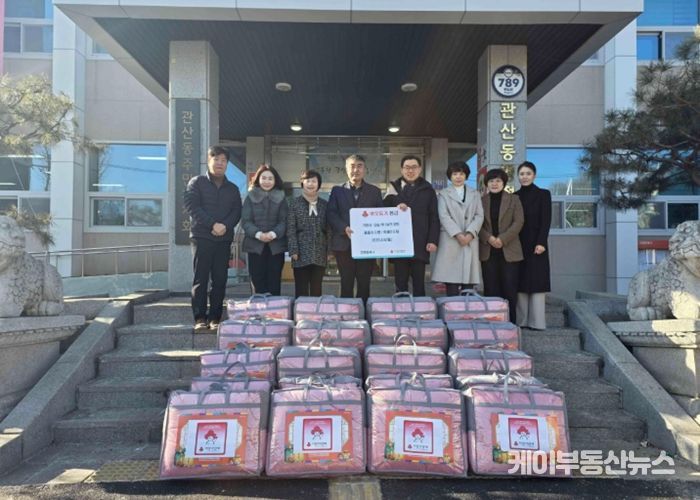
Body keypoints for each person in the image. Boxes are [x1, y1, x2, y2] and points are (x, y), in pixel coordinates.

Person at [184, 145, 242, 331]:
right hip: (202, 237)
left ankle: (215, 318)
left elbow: (237, 212)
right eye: (216, 159)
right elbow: (192, 207)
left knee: (220, 279)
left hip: (223, 239)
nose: (220, 163)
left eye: (223, 160)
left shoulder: (232, 188)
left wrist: (225, 225)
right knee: (201, 278)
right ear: (208, 161)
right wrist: (212, 224)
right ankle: (200, 318)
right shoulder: (197, 183)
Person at [327, 154, 383, 303]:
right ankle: (347, 313)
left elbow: (380, 215)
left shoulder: (374, 191)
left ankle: (363, 313)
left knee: (364, 283)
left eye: (359, 166)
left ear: (365, 169)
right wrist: (344, 228)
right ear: (346, 169)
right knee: (346, 282)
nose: (356, 170)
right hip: (343, 244)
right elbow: (331, 214)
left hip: (367, 246)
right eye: (352, 166)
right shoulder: (337, 191)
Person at [384, 155, 439, 296]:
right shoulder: (393, 188)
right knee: (400, 283)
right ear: (401, 170)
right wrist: (396, 205)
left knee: (419, 283)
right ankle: (401, 307)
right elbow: (383, 210)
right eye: (407, 167)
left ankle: (420, 309)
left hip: (420, 241)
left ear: (420, 169)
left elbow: (434, 216)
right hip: (399, 243)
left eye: (414, 167)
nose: (410, 171)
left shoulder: (428, 190)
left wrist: (433, 240)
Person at [478, 168, 524, 323]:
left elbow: (519, 222)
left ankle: (510, 324)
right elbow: (477, 223)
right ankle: (492, 324)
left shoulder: (514, 199)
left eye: (498, 181)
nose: (494, 184)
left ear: (504, 183)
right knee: (491, 288)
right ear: (487, 184)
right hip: (488, 250)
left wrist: (502, 239)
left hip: (509, 250)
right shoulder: (481, 201)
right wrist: (489, 238)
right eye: (491, 181)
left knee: (510, 288)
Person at [432, 161, 484, 295]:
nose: (458, 177)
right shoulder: (444, 194)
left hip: (470, 239)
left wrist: (470, 233)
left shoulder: (475, 193)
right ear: (450, 176)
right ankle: (451, 306)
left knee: (468, 282)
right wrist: (458, 234)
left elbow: (479, 215)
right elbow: (443, 216)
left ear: (466, 175)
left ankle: (467, 307)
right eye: (455, 174)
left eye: (461, 174)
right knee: (451, 280)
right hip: (451, 239)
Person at [515, 161, 552, 330]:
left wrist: (541, 242)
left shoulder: (544, 194)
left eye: (528, 173)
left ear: (534, 175)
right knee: (520, 281)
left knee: (537, 281)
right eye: (522, 174)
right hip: (518, 243)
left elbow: (546, 220)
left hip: (537, 243)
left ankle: (537, 322)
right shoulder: (514, 196)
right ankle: (521, 321)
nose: (525, 177)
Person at [241, 164, 288, 296]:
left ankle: (276, 308)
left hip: (276, 246)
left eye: (270, 178)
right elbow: (246, 221)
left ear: (275, 180)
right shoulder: (250, 197)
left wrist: (273, 234)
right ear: (258, 179)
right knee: (257, 280)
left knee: (274, 280)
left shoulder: (282, 197)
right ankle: (258, 308)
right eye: (264, 178)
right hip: (255, 245)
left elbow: (284, 221)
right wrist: (258, 234)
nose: (267, 181)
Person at [287, 169, 328, 298]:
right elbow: (291, 228)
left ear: (318, 184)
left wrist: (330, 251)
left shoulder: (325, 204)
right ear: (302, 183)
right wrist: (293, 250)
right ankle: (301, 310)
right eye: (308, 181)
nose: (310, 184)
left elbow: (329, 229)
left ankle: (316, 310)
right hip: (300, 252)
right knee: (301, 288)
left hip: (319, 251)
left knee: (317, 288)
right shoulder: (294, 204)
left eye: (314, 181)